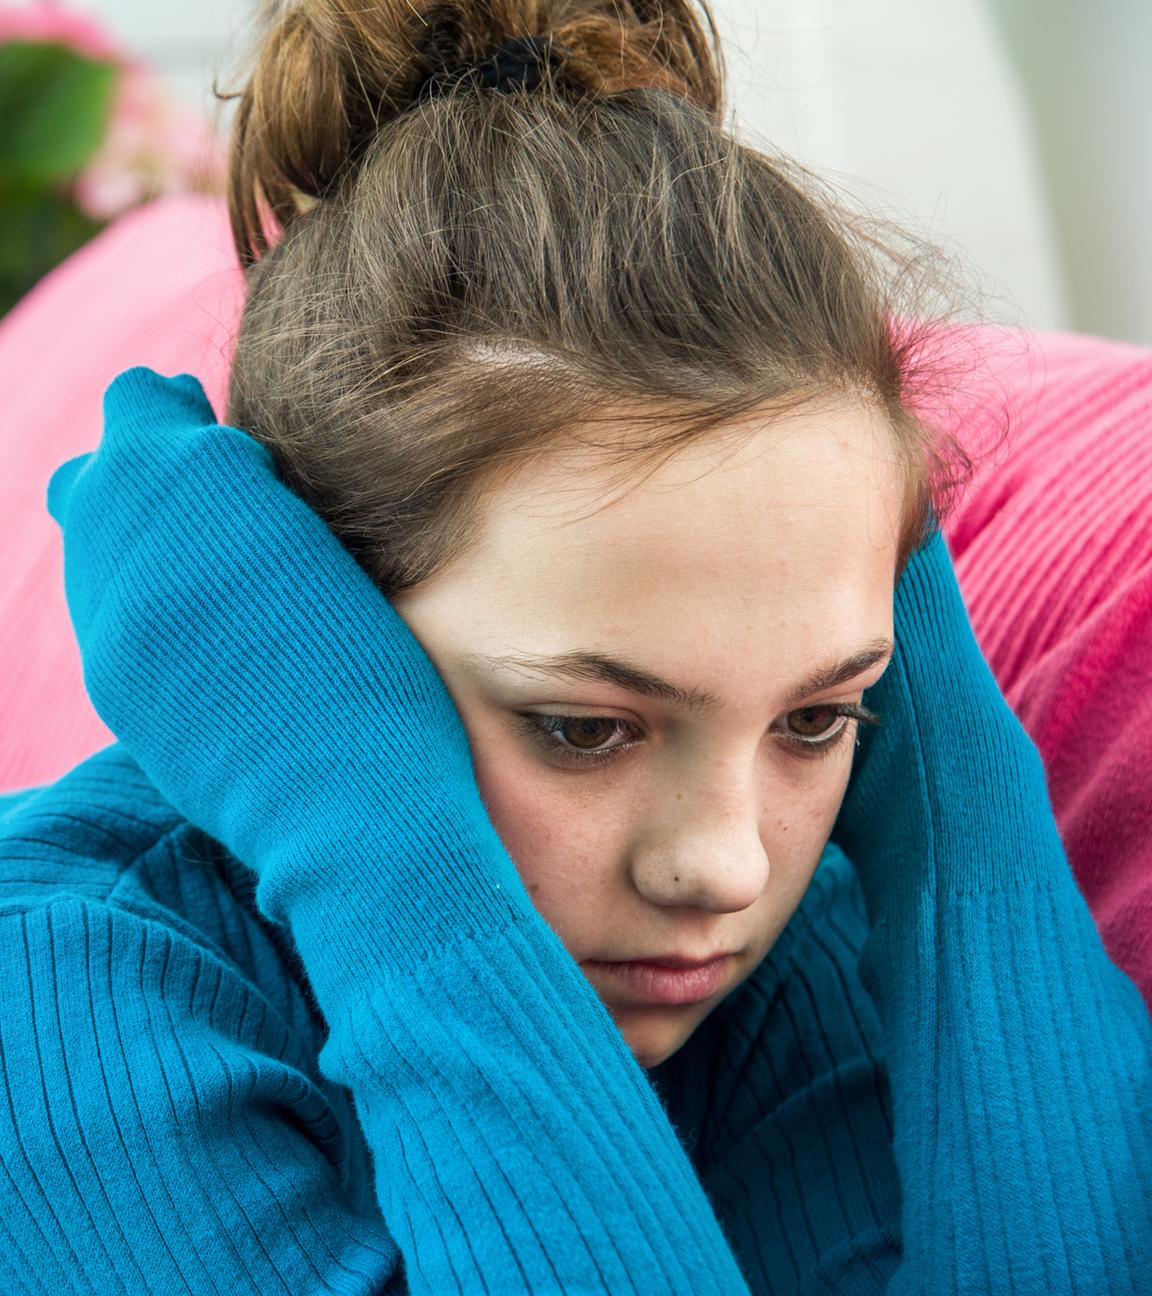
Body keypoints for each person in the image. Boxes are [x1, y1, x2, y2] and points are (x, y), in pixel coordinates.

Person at [1, 2, 1149, 1293]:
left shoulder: (759, 959)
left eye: (814, 719)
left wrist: (958, 811)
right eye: (585, 729)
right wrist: (376, 842)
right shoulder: (52, 1004)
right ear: (317, 638)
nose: (723, 866)